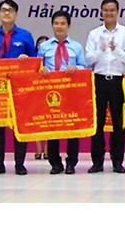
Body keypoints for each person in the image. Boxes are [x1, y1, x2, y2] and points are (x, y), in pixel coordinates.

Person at [0, 0, 36, 175]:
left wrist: (27, 59)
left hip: (20, 89)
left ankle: (20, 163)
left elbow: (35, 62)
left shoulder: (25, 36)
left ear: (16, 14)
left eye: (10, 10)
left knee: (20, 125)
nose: (6, 13)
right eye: (3, 10)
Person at [84, 0, 125, 174]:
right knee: (97, 122)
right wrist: (101, 49)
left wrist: (115, 49)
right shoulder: (94, 34)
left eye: (112, 10)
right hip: (98, 80)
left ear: (118, 12)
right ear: (101, 12)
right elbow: (88, 59)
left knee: (118, 123)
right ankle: (97, 162)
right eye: (106, 10)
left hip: (118, 81)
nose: (109, 13)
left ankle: (117, 161)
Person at [37, 11, 86, 174]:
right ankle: (55, 163)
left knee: (72, 127)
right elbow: (36, 67)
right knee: (53, 127)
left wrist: (76, 68)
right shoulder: (44, 47)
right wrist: (41, 69)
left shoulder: (76, 47)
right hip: (51, 92)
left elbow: (84, 67)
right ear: (52, 25)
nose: (59, 26)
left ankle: (71, 162)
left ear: (68, 26)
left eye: (63, 23)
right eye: (56, 23)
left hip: (71, 92)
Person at [33, 34, 50, 160]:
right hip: (37, 91)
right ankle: (38, 148)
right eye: (40, 43)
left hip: (50, 89)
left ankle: (47, 148)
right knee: (37, 120)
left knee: (50, 120)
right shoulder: (33, 60)